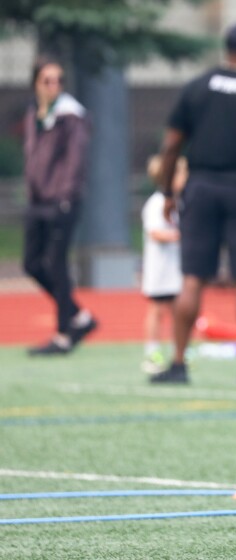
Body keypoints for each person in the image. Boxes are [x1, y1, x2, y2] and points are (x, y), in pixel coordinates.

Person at [150, 22, 236, 384]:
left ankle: (179, 363)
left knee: (193, 278)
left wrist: (168, 191)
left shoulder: (196, 88)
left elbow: (171, 146)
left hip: (199, 187)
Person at [22, 57, 98, 355]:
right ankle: (80, 317)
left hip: (62, 200)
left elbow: (75, 160)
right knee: (32, 264)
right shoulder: (34, 112)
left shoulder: (71, 115)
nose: (54, 86)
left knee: (56, 263)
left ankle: (64, 334)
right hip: (37, 199)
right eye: (47, 80)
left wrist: (65, 195)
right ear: (36, 84)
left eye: (59, 80)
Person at [141, 155, 187, 374]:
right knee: (157, 310)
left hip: (176, 269)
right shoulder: (157, 203)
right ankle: (152, 352)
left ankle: (177, 351)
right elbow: (155, 232)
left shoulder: (180, 202)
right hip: (160, 269)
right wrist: (181, 236)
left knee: (179, 311)